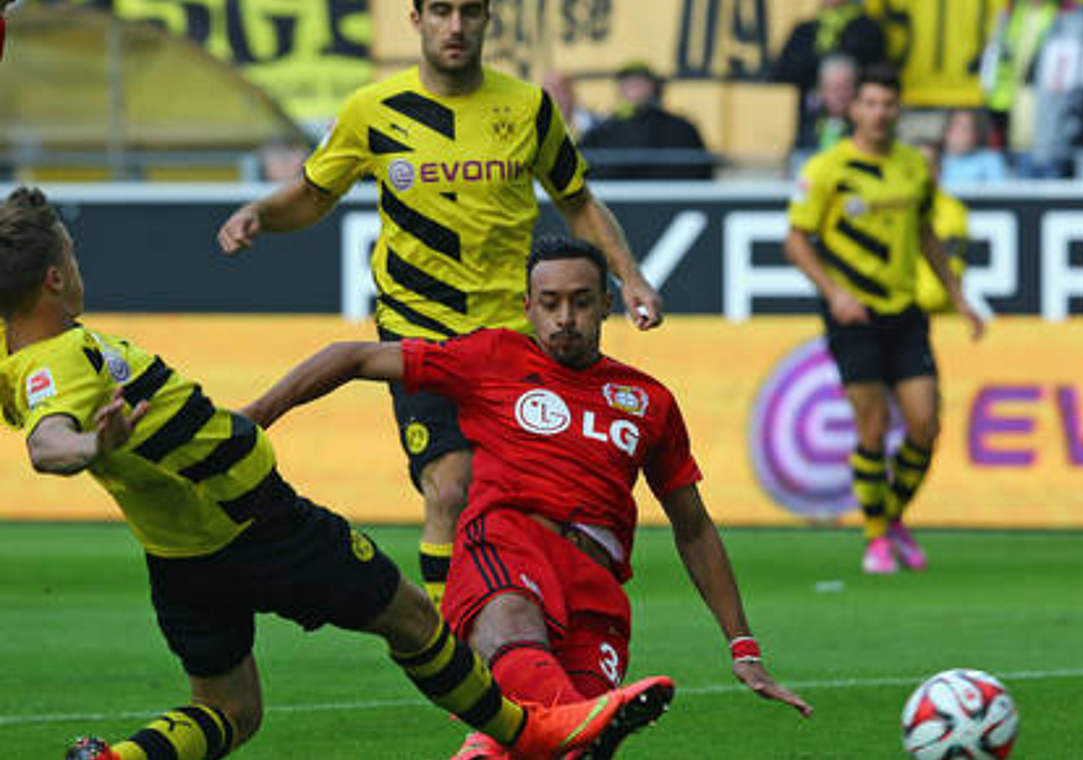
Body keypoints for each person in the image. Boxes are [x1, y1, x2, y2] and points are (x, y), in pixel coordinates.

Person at [0, 188, 673, 760]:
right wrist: (90, 446)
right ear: (56, 278)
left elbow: (36, 414)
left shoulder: (24, 362)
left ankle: (119, 759)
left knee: (232, 711)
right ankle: (533, 733)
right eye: (73, 257)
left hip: (181, 560)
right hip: (259, 525)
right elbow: (48, 443)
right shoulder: (54, 362)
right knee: (412, 617)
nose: (78, 267)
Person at [243, 236, 814, 759]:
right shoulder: (493, 358)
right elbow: (353, 357)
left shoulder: (648, 401)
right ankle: (575, 720)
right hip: (506, 545)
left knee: (542, 743)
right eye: (550, 302)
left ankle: (529, 736)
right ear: (527, 305)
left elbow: (693, 527)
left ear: (607, 306)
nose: (565, 317)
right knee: (529, 649)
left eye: (582, 301)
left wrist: (743, 647)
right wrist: (252, 419)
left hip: (596, 591)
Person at [216, 0, 664, 610]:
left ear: (488, 21)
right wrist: (261, 214)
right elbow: (314, 194)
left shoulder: (528, 108)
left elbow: (578, 200)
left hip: (513, 332)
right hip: (419, 325)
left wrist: (630, 275)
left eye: (470, 13)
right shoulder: (372, 111)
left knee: (540, 498)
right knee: (450, 487)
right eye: (442, 12)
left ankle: (542, 625)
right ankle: (455, 648)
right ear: (416, 19)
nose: (456, 27)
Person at [784, 66, 985, 575]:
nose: (879, 113)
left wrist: (958, 297)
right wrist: (834, 292)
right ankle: (876, 538)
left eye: (887, 105)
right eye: (870, 103)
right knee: (871, 427)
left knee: (926, 425)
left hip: (904, 311)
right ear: (854, 108)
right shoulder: (828, 169)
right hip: (853, 315)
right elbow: (795, 240)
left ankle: (889, 518)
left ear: (898, 110)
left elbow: (925, 236)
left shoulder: (913, 167)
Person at [979, 0, 1083, 178]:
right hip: (1012, 144)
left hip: (1058, 146)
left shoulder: (1078, 18)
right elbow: (996, 77)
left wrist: (1074, 129)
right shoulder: (1010, 15)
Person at [578, 62, 715, 180]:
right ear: (619, 90)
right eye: (628, 83)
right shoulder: (602, 131)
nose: (635, 88)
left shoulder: (681, 128)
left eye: (640, 82)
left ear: (655, 88)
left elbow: (701, 171)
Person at [770, 0, 886, 107]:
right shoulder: (804, 31)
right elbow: (782, 73)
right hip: (810, 112)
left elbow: (876, 75)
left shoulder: (867, 30)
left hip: (853, 111)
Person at [911, 140, 970, 315]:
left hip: (940, 315)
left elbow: (951, 264)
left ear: (938, 170)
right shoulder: (897, 207)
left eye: (928, 166)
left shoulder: (952, 211)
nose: (921, 172)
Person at [939, 109, 1008, 188]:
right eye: (955, 126)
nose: (960, 133)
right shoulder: (935, 159)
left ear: (975, 134)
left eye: (965, 128)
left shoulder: (991, 160)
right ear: (946, 132)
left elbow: (999, 192)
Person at [541, 69, 599, 139]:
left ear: (573, 94)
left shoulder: (593, 124)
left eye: (562, 91)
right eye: (551, 91)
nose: (557, 97)